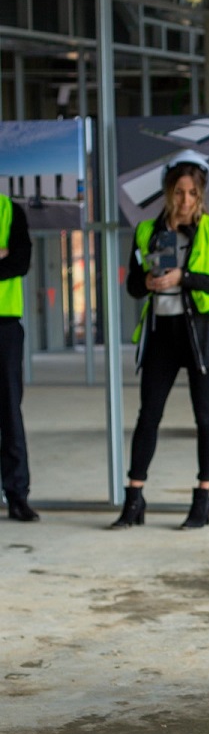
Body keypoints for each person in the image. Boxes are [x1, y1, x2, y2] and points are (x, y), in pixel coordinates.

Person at [110, 149, 209, 530]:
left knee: (204, 416)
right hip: (161, 334)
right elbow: (133, 285)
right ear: (168, 192)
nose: (185, 201)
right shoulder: (147, 231)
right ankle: (133, 498)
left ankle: (203, 499)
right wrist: (148, 282)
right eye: (179, 193)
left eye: (192, 194)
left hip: (201, 333)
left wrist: (184, 277)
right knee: (148, 415)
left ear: (201, 196)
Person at [0, 194, 40, 522]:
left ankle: (17, 495)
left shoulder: (9, 210)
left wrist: (9, 256)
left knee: (9, 411)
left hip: (4, 325)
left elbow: (20, 262)